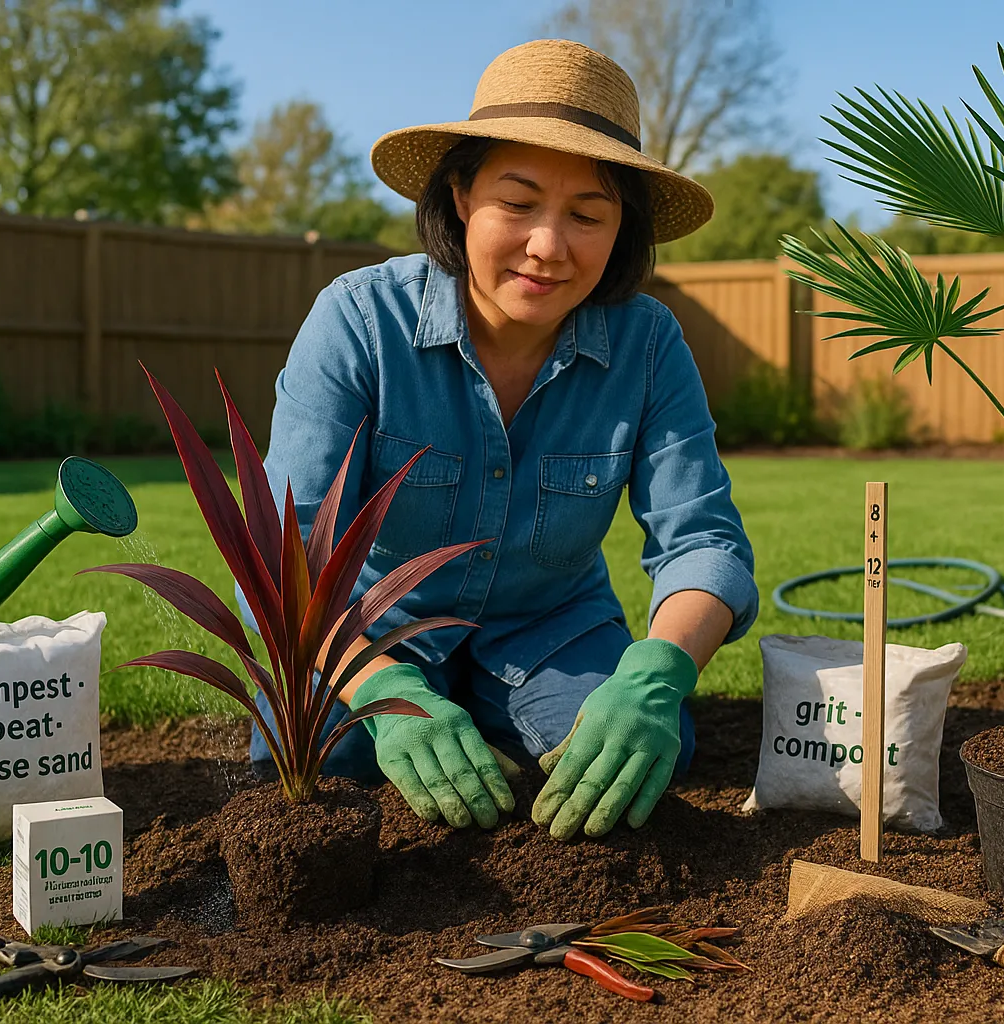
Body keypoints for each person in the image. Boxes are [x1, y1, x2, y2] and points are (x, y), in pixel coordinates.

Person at [240, 38, 757, 841]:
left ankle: (503, 728)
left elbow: (702, 542)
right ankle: (433, 722)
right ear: (459, 196)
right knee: (316, 768)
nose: (549, 246)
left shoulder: (649, 344)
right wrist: (380, 691)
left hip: (549, 624)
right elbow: (280, 556)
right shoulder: (357, 322)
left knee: (638, 756)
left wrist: (658, 674)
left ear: (622, 230)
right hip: (373, 627)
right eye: (517, 204)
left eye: (587, 215)